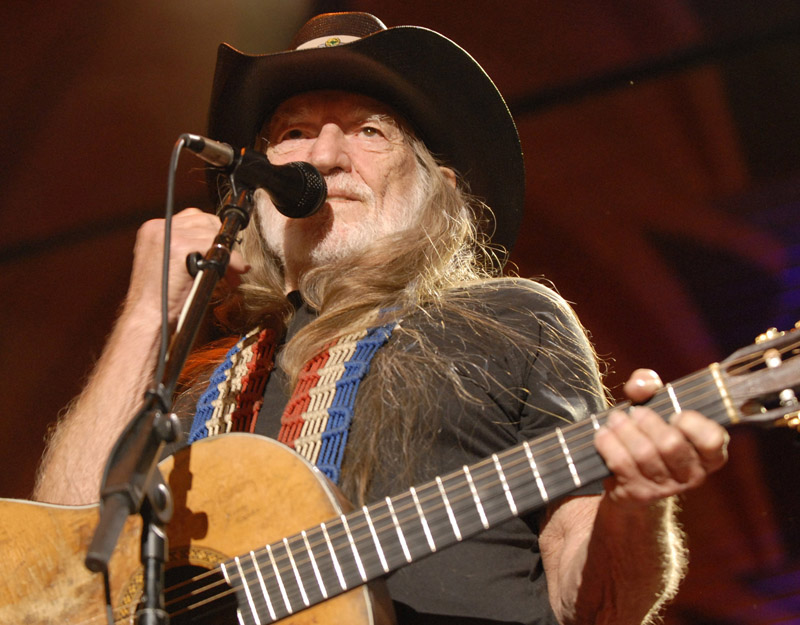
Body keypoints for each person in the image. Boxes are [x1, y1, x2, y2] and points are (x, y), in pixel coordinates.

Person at [33, 12, 729, 625]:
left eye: (369, 130)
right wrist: (143, 315)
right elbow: (56, 572)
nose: (326, 156)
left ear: (440, 188)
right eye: (294, 132)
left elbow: (595, 599)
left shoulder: (514, 319)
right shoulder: (198, 378)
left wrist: (635, 507)